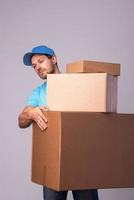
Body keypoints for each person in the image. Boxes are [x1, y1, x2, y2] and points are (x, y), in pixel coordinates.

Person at [18, 45, 99, 200]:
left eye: (40, 61)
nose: (37, 68)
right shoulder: (38, 92)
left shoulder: (76, 84)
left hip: (82, 162)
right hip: (53, 165)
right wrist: (31, 113)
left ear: (53, 59)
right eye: (34, 66)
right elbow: (21, 121)